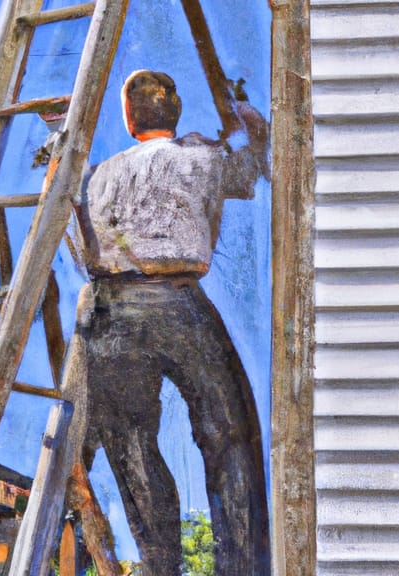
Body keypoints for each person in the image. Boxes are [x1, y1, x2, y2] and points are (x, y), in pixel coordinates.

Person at [62, 69, 270, 575]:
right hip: (177, 299)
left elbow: (77, 244)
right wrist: (255, 125)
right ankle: (243, 567)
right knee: (229, 432)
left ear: (130, 119)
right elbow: (253, 169)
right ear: (173, 114)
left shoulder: (100, 176)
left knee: (130, 443)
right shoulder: (202, 159)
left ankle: (160, 567)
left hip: (113, 306)